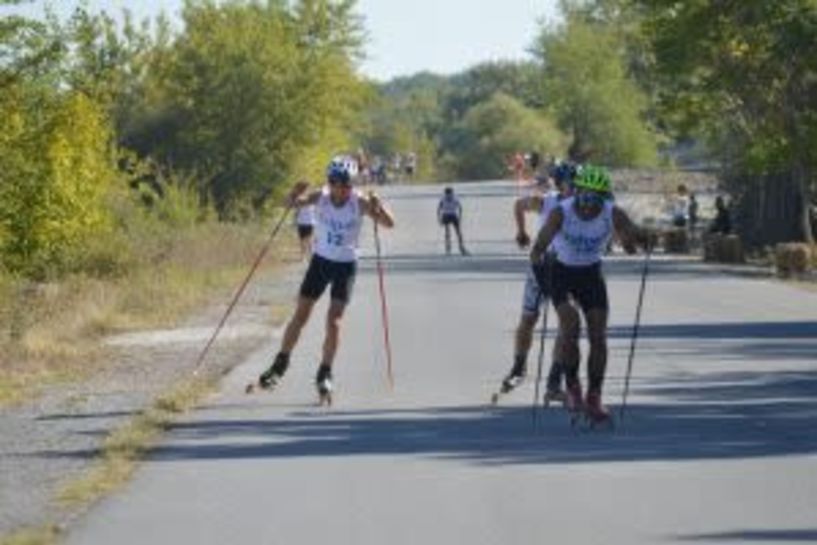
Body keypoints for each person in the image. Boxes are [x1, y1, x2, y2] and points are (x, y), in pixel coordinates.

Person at [250, 159, 396, 403]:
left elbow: (389, 224)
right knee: (301, 314)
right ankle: (280, 363)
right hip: (320, 263)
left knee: (334, 321)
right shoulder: (322, 197)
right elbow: (288, 205)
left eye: (346, 185)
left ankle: (325, 372)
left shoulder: (359, 201)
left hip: (345, 266)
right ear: (330, 182)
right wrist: (294, 193)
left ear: (352, 184)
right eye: (336, 183)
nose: (341, 189)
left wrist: (379, 208)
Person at [530, 165, 651, 425]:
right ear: (576, 192)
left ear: (605, 198)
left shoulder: (613, 214)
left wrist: (642, 240)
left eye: (595, 199)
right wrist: (544, 282)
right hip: (560, 272)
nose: (587, 206)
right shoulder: (560, 213)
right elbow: (536, 251)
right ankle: (573, 387)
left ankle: (594, 395)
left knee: (598, 336)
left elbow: (631, 244)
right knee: (570, 325)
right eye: (584, 197)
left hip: (590, 275)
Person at [495, 161, 577, 402]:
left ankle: (554, 382)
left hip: (569, 269)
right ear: (560, 184)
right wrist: (521, 232)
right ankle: (518, 368)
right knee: (529, 319)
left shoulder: (584, 205)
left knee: (567, 324)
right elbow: (519, 205)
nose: (575, 189)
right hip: (541, 267)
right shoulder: (547, 201)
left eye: (578, 185)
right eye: (570, 184)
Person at [437, 186, 468, 255]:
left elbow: (460, 207)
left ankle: (460, 247)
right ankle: (450, 247)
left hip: (451, 215)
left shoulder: (453, 198)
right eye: (448, 193)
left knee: (457, 232)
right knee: (449, 232)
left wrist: (460, 217)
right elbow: (439, 209)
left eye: (450, 193)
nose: (449, 195)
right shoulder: (444, 199)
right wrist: (439, 218)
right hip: (448, 215)